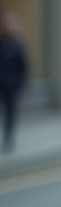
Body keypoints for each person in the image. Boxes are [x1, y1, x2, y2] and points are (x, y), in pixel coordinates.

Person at [0, 14, 27, 153]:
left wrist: (22, 86)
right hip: (2, 84)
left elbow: (23, 67)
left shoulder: (16, 45)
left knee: (10, 112)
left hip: (11, 85)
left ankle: (8, 136)